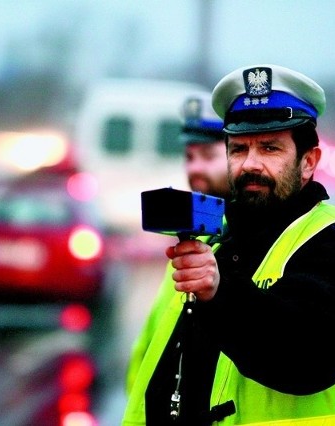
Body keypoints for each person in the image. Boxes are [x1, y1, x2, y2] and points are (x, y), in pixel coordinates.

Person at [122, 64, 335, 425]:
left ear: (308, 162)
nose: (250, 164)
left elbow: (309, 356)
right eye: (238, 149)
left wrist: (220, 295)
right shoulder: (218, 242)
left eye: (269, 148)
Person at [125, 92, 228, 395]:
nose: (195, 168)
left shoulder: (240, 239)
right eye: (189, 157)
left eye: (208, 156)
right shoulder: (200, 235)